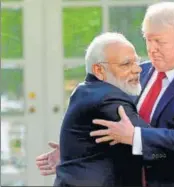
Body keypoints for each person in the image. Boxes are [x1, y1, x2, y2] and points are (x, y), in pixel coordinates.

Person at [90, 2, 174, 186]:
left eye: (159, 41)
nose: (151, 48)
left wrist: (135, 137)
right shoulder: (140, 71)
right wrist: (74, 148)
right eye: (148, 39)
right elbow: (109, 121)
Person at [51, 32, 149, 186]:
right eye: (126, 64)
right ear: (99, 70)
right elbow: (152, 143)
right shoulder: (108, 99)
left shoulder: (85, 90)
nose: (138, 69)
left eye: (137, 62)